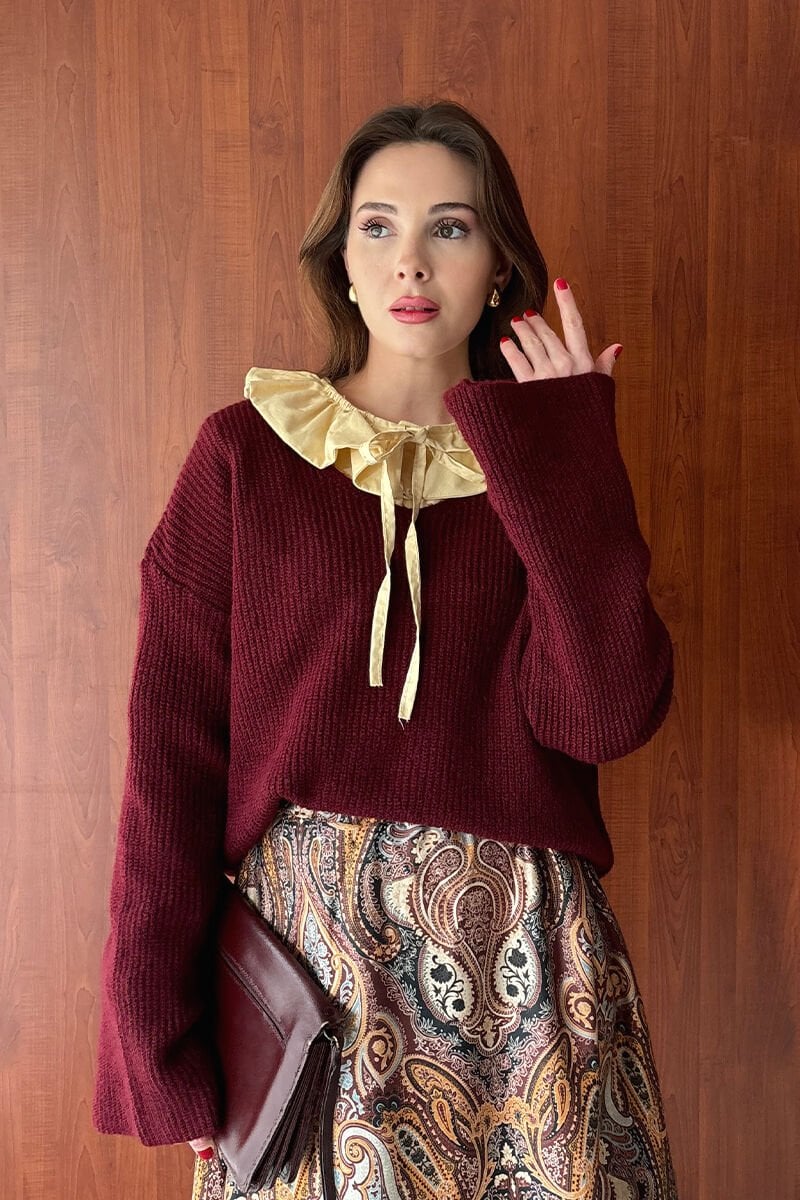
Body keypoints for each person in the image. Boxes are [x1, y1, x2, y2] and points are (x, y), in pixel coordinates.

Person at [92, 99, 679, 1200]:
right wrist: (160, 1047)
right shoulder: (242, 458)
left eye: (450, 227)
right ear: (343, 262)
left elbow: (603, 714)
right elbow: (168, 770)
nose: (411, 259)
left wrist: (566, 460)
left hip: (526, 974)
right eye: (378, 226)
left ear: (497, 269)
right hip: (311, 980)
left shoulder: (537, 468)